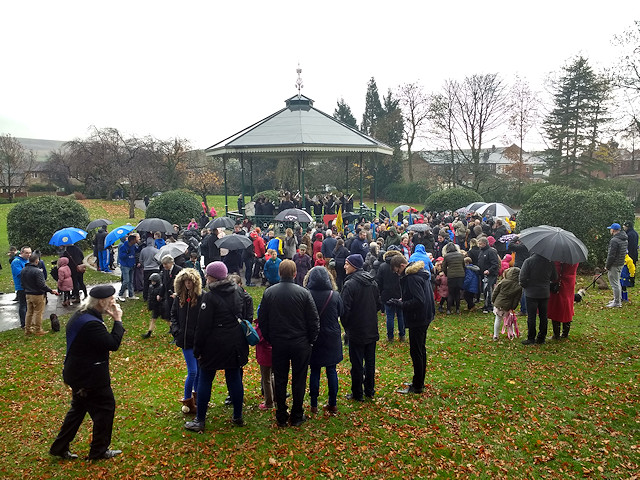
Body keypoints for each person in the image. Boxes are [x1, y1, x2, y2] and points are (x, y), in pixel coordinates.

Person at [49, 285, 124, 460]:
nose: (114, 303)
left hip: (77, 373)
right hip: (89, 378)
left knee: (78, 409)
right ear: (101, 302)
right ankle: (98, 451)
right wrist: (118, 321)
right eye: (111, 300)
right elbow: (113, 344)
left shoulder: (82, 314)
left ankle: (59, 447)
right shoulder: (91, 324)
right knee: (105, 409)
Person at [185, 262, 249, 432]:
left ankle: (200, 419)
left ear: (214, 277)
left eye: (207, 275)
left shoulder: (210, 297)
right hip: (234, 341)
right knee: (234, 378)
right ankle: (238, 415)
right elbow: (245, 308)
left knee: (205, 379)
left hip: (214, 344)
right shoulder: (237, 290)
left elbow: (203, 327)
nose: (205, 277)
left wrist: (197, 349)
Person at [258, 259, 320, 427]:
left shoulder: (270, 293)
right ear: (294, 274)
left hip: (280, 342)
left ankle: (281, 414)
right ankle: (297, 414)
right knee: (299, 379)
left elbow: (262, 319)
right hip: (299, 342)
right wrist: (310, 340)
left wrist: (271, 337)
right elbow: (314, 320)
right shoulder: (303, 293)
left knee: (280, 378)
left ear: (279, 273)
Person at [389, 255, 435, 394]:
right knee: (420, 350)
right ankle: (419, 381)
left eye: (397, 271)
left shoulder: (412, 277)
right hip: (425, 316)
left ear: (402, 266)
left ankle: (417, 385)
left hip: (418, 318)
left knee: (416, 351)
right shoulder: (420, 273)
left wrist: (401, 304)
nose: (398, 274)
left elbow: (419, 300)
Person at [340, 254, 382, 401]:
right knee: (370, 362)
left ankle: (357, 393)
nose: (344, 266)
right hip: (371, 327)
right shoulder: (372, 282)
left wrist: (347, 327)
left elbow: (344, 310)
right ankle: (369, 390)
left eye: (347, 263)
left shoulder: (349, 285)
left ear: (354, 266)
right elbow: (378, 304)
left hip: (357, 329)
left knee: (357, 363)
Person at [304, 266, 343, 415]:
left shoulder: (307, 294)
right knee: (331, 370)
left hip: (314, 336)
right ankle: (332, 403)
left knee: (314, 370)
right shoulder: (335, 295)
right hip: (331, 336)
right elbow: (341, 312)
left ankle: (313, 404)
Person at [170, 268, 203, 414]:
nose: (188, 284)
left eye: (190, 281)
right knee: (193, 371)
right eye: (185, 281)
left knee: (198, 371)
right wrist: (177, 331)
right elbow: (173, 315)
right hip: (185, 340)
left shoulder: (201, 297)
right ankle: (187, 399)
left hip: (198, 340)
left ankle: (196, 398)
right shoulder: (179, 298)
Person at [519, 253, 559, 345]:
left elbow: (522, 277)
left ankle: (531, 338)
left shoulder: (528, 261)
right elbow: (555, 277)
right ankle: (541, 338)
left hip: (531, 292)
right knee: (543, 316)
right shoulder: (550, 262)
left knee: (531, 316)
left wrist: (526, 286)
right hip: (544, 292)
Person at [21, 252, 59, 335]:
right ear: (36, 261)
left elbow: (22, 283)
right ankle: (38, 330)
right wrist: (51, 291)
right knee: (38, 312)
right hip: (37, 295)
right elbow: (42, 285)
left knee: (29, 312)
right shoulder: (38, 271)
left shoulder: (23, 270)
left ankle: (27, 330)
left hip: (28, 294)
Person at [376, 249, 405, 342]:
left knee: (390, 316)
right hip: (400, 293)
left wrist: (380, 293)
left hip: (387, 294)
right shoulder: (400, 266)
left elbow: (379, 281)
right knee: (400, 315)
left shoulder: (382, 266)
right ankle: (402, 335)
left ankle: (390, 336)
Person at [548, 262, 579, 339]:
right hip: (570, 281)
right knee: (568, 305)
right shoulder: (574, 258)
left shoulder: (559, 257)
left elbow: (556, 271)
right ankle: (565, 333)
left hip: (560, 283)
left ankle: (556, 334)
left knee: (556, 307)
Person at [491, 267, 522, 341]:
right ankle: (512, 333)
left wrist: (493, 300)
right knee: (510, 320)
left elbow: (495, 291)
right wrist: (513, 307)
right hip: (508, 306)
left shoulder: (503, 282)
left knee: (498, 319)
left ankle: (495, 335)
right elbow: (516, 299)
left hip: (499, 303)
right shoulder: (519, 286)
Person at [605, 223, 629, 308]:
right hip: (621, 263)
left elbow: (611, 255)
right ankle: (617, 299)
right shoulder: (624, 238)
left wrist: (607, 266)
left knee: (614, 283)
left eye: (611, 229)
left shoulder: (614, 240)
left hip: (614, 264)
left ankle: (617, 302)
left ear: (614, 230)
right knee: (617, 282)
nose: (610, 230)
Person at [477, 236, 500, 314]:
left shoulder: (491, 251)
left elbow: (495, 264)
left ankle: (489, 306)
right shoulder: (481, 251)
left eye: (480, 244)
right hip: (483, 274)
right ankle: (486, 304)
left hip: (490, 274)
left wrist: (489, 270)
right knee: (484, 290)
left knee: (488, 290)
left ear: (484, 243)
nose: (479, 245)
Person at [441, 243, 465, 314]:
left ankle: (449, 310)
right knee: (457, 292)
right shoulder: (461, 255)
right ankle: (457, 309)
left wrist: (446, 274)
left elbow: (444, 267)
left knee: (451, 293)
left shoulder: (446, 256)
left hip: (451, 276)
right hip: (460, 275)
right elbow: (463, 265)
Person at [11, 246, 31, 328]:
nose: (29, 255)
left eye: (30, 252)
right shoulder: (16, 262)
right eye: (26, 253)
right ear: (21, 253)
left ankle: (28, 321)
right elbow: (19, 273)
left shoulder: (28, 260)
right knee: (23, 305)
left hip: (29, 285)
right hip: (21, 286)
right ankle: (23, 323)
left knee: (28, 305)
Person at [117, 235, 138, 301]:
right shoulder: (123, 247)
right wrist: (126, 253)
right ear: (131, 240)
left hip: (131, 264)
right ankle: (120, 294)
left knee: (130, 281)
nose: (136, 241)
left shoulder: (133, 246)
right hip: (125, 265)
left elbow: (137, 250)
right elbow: (121, 256)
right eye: (135, 240)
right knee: (126, 281)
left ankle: (131, 294)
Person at [139, 237, 160, 302]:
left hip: (146, 269)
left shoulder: (143, 250)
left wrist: (144, 265)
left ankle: (145, 297)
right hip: (155, 268)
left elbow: (140, 260)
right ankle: (155, 296)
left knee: (146, 283)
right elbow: (159, 260)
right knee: (156, 283)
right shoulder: (156, 250)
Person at [143, 273, 163, 338]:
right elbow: (150, 297)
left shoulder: (161, 287)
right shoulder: (151, 287)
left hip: (161, 307)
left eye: (154, 281)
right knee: (153, 319)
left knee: (167, 319)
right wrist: (150, 305)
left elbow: (164, 297)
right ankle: (149, 332)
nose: (152, 282)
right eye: (152, 281)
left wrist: (160, 297)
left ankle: (173, 330)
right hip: (155, 307)